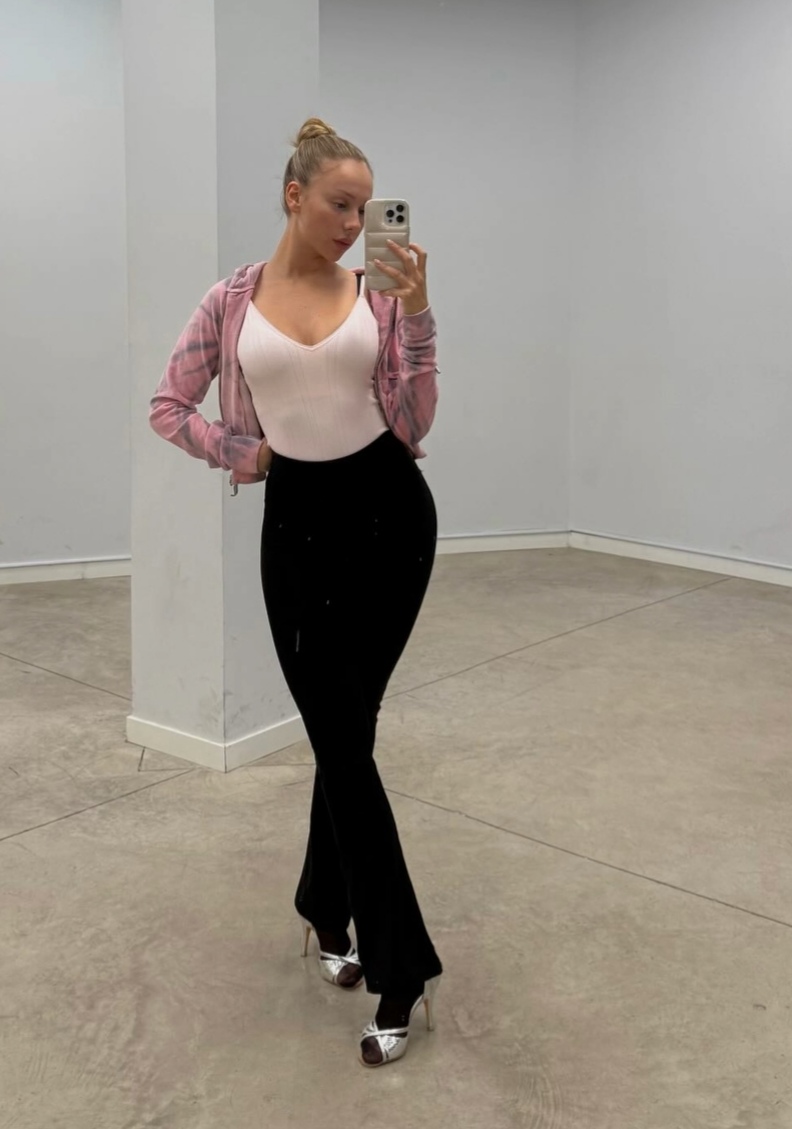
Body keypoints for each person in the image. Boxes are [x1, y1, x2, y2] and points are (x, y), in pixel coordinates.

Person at [149, 118, 443, 1067]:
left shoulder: (379, 295)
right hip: (299, 527)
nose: (354, 225)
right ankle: (386, 953)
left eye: (363, 209)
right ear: (294, 195)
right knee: (342, 739)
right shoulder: (231, 301)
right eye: (338, 205)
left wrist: (419, 314)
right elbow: (167, 406)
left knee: (347, 736)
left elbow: (415, 418)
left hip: (392, 518)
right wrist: (244, 452)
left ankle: (340, 917)